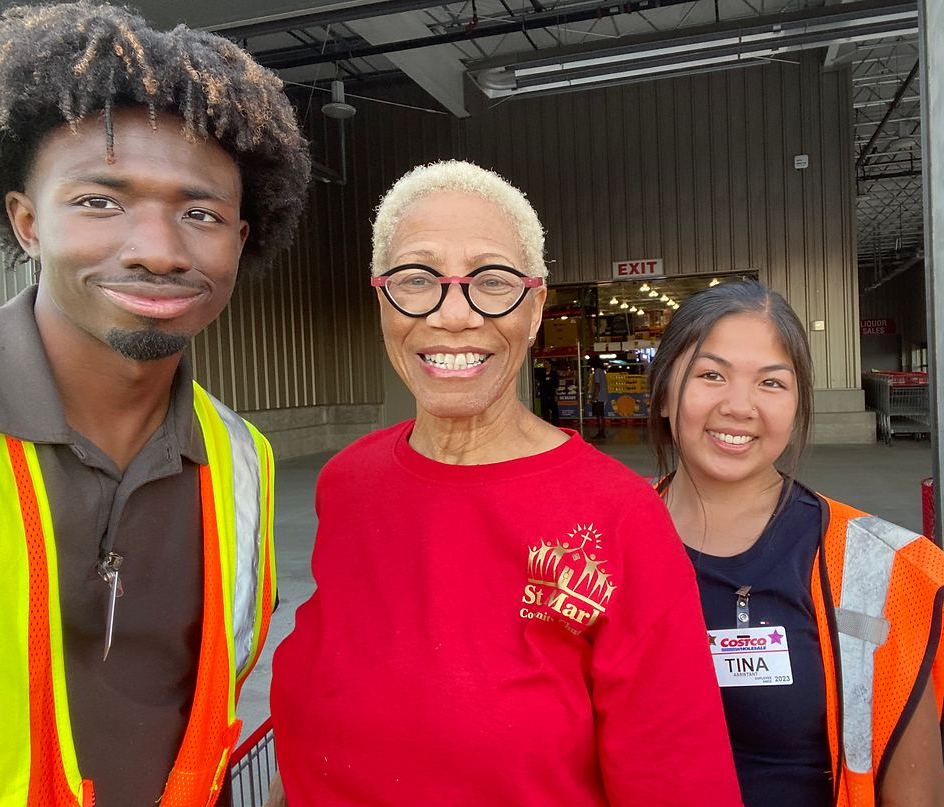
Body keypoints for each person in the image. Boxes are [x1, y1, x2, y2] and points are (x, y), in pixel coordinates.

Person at [268, 160, 742, 807]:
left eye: (491, 281)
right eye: (417, 278)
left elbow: (678, 782)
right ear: (382, 296)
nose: (454, 314)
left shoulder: (618, 516)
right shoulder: (346, 484)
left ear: (536, 304)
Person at [0, 3, 311, 805]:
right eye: (101, 201)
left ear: (240, 239)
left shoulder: (241, 459)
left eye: (200, 214)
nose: (158, 250)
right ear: (27, 222)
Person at [647, 280, 944, 807]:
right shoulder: (594, 544)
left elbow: (917, 792)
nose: (740, 406)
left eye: (771, 383)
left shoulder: (880, 569)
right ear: (662, 393)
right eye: (711, 375)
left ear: (796, 405)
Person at [536, 357, 559, 425]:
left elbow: (556, 385)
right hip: (544, 394)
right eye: (544, 363)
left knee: (554, 409)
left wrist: (555, 395)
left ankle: (556, 423)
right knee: (545, 409)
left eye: (546, 363)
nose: (544, 365)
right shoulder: (542, 373)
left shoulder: (554, 374)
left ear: (550, 364)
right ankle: (546, 422)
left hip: (551, 394)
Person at [590, 355, 608, 439]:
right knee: (602, 414)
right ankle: (602, 431)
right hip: (603, 396)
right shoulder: (602, 371)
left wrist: (594, 397)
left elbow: (597, 385)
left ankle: (600, 432)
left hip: (598, 397)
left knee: (599, 415)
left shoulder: (597, 371)